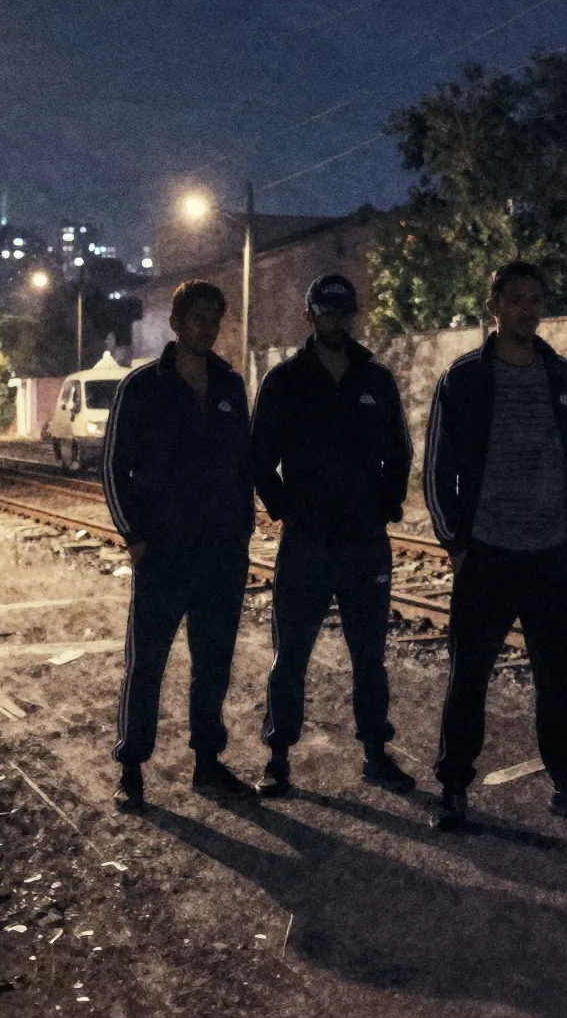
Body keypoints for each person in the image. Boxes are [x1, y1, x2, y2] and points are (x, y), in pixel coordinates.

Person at [423, 261, 567, 832]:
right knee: (469, 677)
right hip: (487, 553)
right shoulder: (464, 377)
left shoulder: (563, 375)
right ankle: (453, 787)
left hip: (555, 554)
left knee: (557, 678)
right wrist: (456, 542)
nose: (527, 309)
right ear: (495, 306)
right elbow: (438, 467)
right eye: (516, 299)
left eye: (535, 299)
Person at [248, 274, 416, 798]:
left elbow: (400, 449)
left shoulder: (376, 379)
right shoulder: (285, 380)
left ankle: (375, 754)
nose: (337, 322)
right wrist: (284, 509)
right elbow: (258, 455)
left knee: (370, 658)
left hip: (365, 542)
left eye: (344, 313)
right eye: (328, 313)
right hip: (307, 543)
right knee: (290, 655)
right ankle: (278, 758)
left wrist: (386, 504)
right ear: (310, 316)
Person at [104, 281, 258, 811]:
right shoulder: (141, 386)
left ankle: (208, 764)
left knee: (213, 661)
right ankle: (131, 768)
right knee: (147, 663)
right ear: (175, 322)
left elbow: (243, 464)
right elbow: (114, 468)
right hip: (163, 555)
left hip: (221, 554)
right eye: (197, 317)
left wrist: (242, 531)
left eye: (214, 318)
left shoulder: (230, 385)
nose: (206, 327)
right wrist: (135, 538)